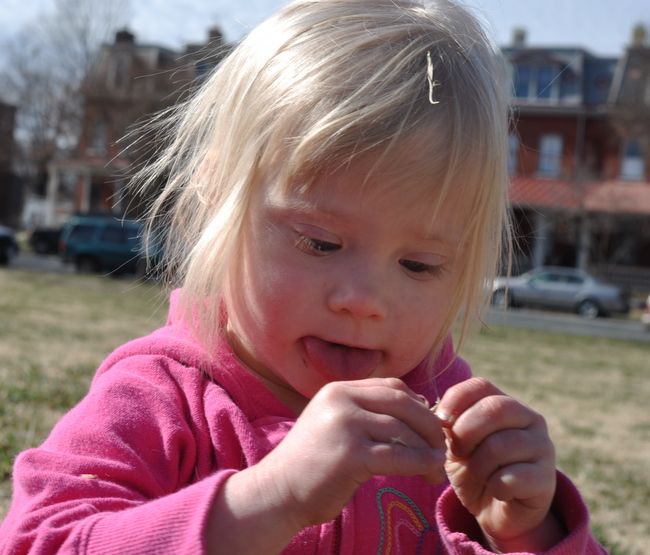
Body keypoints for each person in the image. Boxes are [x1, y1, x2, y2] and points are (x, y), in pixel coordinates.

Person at [0, 1, 605, 553]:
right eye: (320, 242)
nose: (365, 301)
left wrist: (531, 531)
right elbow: (40, 542)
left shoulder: (446, 424)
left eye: (419, 264)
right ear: (216, 199)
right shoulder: (158, 401)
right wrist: (273, 497)